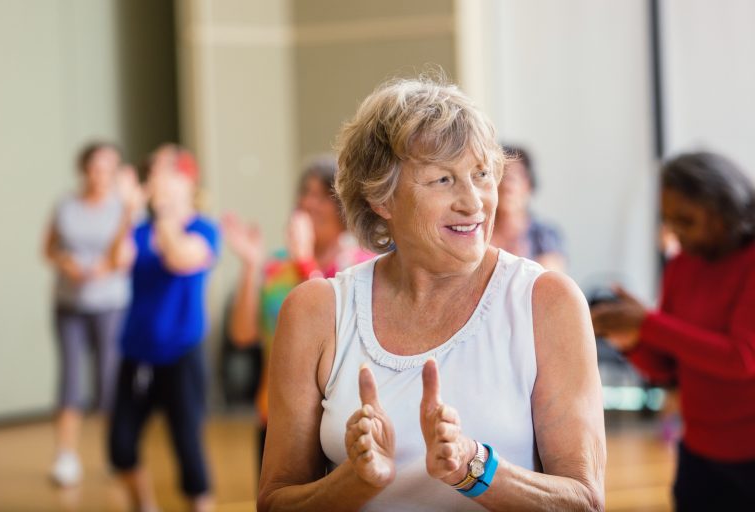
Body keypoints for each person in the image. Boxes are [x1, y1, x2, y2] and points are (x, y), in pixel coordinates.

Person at [257, 77, 605, 511]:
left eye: (482, 174)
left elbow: (583, 501)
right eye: (443, 179)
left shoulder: (548, 302)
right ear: (382, 197)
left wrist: (472, 468)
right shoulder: (316, 311)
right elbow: (275, 502)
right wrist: (356, 481)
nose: (474, 202)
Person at [592, 151, 755, 511]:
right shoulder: (681, 266)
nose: (676, 232)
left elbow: (742, 358)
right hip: (700, 450)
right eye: (669, 220)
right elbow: (667, 368)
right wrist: (632, 339)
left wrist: (648, 323)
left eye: (687, 220)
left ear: (725, 208)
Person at [223, 155, 373, 464]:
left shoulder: (360, 263)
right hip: (275, 411)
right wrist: (251, 267)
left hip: (339, 415)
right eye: (305, 193)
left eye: (322, 196)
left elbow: (340, 329)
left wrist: (305, 261)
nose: (309, 203)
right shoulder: (277, 264)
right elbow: (243, 335)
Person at [108, 144, 218, 512]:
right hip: (137, 352)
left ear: (186, 180)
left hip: (182, 353)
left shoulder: (202, 228)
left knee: (188, 448)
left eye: (164, 172)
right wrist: (126, 211)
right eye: (153, 172)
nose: (155, 179)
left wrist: (166, 212)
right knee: (121, 447)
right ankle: (144, 506)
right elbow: (115, 261)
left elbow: (181, 258)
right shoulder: (140, 229)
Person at [43, 142, 133, 486]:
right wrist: (66, 262)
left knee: (109, 380)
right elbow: (49, 247)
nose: (101, 175)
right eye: (96, 168)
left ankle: (115, 453)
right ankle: (65, 455)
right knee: (70, 378)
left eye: (109, 168)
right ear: (84, 169)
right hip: (69, 305)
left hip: (110, 304)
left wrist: (104, 267)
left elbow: (127, 254)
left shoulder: (124, 208)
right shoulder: (66, 204)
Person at [490, 145, 566, 272]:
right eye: (500, 176)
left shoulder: (544, 234)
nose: (506, 184)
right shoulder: (478, 230)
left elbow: (550, 277)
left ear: (528, 185)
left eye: (513, 178)